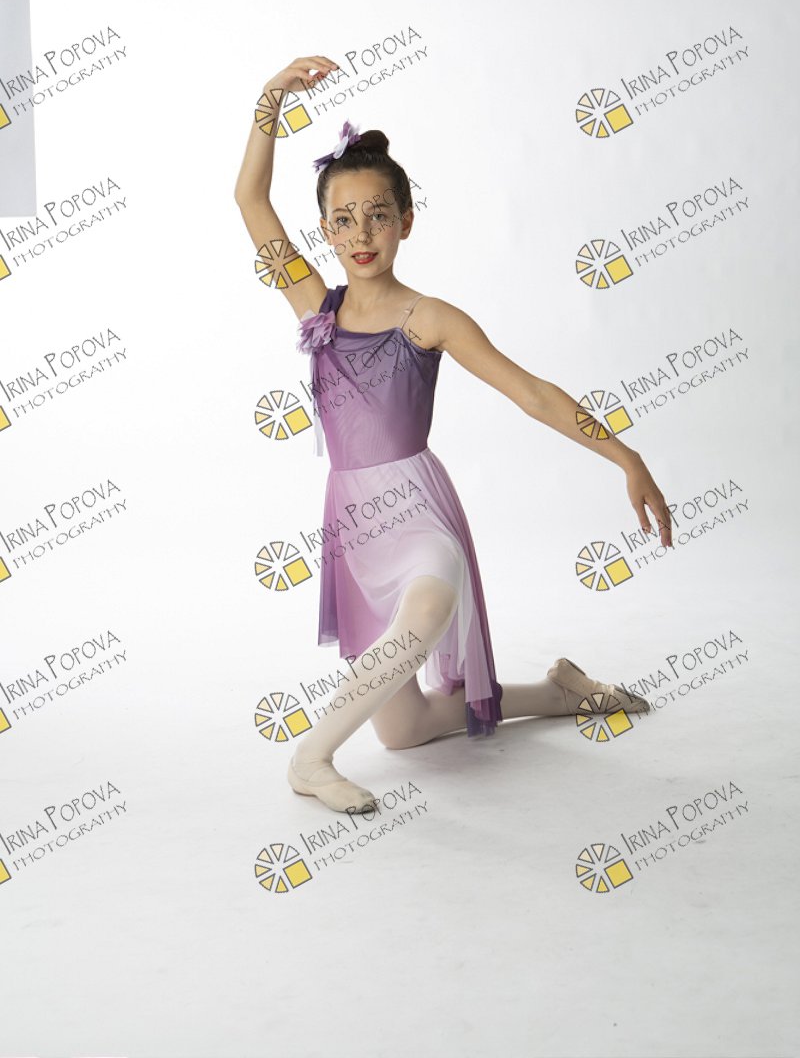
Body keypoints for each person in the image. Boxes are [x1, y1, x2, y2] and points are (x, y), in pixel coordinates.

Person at [234, 54, 673, 816]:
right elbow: (249, 198)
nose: (361, 233)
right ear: (326, 230)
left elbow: (531, 393)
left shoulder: (428, 317)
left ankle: (310, 757)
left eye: (378, 215)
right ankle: (559, 691)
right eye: (344, 219)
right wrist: (271, 96)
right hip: (353, 521)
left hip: (417, 508)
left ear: (405, 221)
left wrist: (625, 455)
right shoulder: (315, 306)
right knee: (405, 730)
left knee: (429, 607)